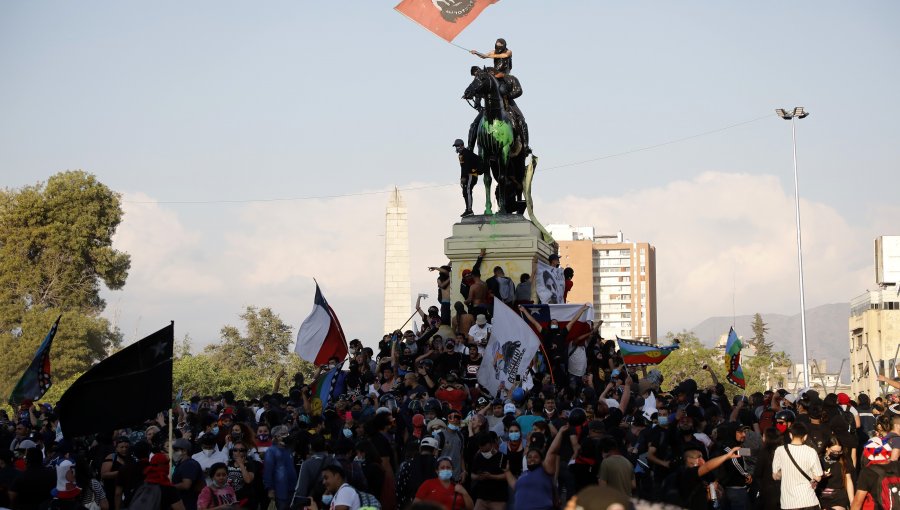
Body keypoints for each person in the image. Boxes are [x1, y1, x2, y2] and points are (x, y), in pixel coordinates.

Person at [508, 423, 568, 510]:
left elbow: (553, 451)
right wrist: (507, 471)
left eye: (536, 457)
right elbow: (515, 485)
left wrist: (560, 433)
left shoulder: (545, 468)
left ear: (541, 459)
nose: (532, 459)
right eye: (529, 457)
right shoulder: (524, 474)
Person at [772, 422, 823, 510]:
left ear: (790, 435)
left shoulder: (780, 450)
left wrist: (786, 472)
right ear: (805, 436)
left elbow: (775, 476)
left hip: (789, 503)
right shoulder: (811, 451)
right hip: (809, 501)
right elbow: (818, 477)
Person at [262, 426, 296, 510]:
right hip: (280, 490)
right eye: (283, 434)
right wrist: (270, 489)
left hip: (292, 488)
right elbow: (268, 471)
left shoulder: (288, 449)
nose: (287, 436)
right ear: (276, 437)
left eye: (287, 433)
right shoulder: (271, 451)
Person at [171, 438, 204, 510]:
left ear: (184, 451)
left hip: (190, 505)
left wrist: (169, 487)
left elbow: (186, 485)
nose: (173, 452)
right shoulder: (181, 464)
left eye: (176, 450)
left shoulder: (189, 464)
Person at [455, 139, 481, 217]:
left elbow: (466, 167)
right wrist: (462, 178)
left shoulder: (466, 153)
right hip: (467, 175)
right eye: (455, 146)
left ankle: (469, 210)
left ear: (461, 145)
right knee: (465, 192)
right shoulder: (461, 155)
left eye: (457, 146)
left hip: (471, 175)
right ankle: (468, 209)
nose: (456, 148)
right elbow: (462, 168)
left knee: (468, 190)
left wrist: (464, 177)